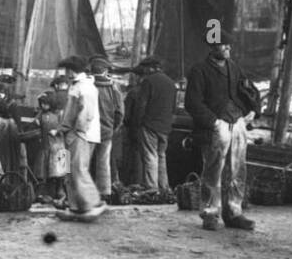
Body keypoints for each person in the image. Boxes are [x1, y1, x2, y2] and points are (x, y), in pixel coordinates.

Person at [184, 33, 258, 230]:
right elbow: (192, 103)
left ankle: (234, 213)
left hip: (238, 124)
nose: (228, 48)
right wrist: (214, 122)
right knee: (213, 171)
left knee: (238, 170)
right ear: (212, 47)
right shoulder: (199, 71)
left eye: (228, 45)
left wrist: (252, 111)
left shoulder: (234, 68)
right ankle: (210, 214)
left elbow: (249, 90)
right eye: (223, 45)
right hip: (217, 127)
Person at [57, 55, 106, 219]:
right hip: (76, 133)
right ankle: (76, 206)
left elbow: (86, 113)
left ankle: (93, 203)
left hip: (81, 134)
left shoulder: (84, 87)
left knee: (78, 169)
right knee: (69, 170)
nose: (66, 73)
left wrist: (77, 130)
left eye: (67, 69)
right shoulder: (79, 85)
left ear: (72, 70)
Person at [132, 56, 176, 193]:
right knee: (161, 156)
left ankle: (151, 187)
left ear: (151, 67)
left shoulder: (148, 81)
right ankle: (164, 187)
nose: (144, 70)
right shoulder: (171, 83)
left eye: (145, 68)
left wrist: (138, 123)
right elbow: (173, 108)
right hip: (165, 126)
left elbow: (141, 105)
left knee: (150, 156)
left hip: (149, 124)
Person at [90, 56, 124, 202]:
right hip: (106, 130)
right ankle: (104, 192)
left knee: (84, 162)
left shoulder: (87, 85)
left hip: (88, 130)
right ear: (104, 70)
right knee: (103, 162)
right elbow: (120, 112)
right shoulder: (113, 87)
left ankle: (83, 192)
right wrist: (114, 127)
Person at [32, 92, 67, 205]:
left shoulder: (59, 115)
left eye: (46, 104)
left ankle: (61, 192)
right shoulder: (41, 115)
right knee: (45, 171)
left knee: (59, 172)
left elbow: (64, 126)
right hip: (47, 145)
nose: (43, 106)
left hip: (58, 145)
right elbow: (36, 124)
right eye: (42, 103)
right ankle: (47, 193)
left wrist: (57, 130)